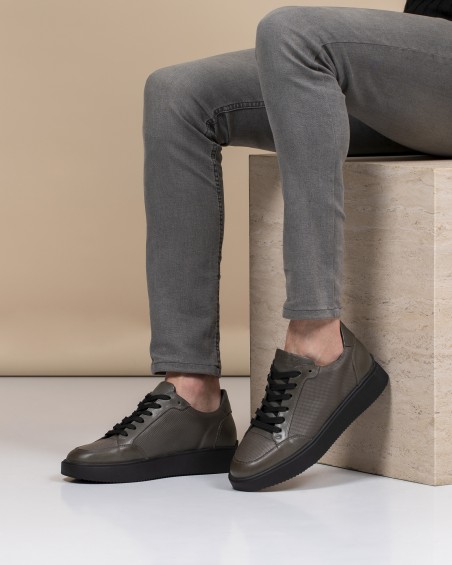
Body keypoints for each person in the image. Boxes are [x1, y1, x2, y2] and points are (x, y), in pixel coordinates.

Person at [61, 1, 452, 490]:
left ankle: (318, 342)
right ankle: (192, 396)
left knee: (295, 32)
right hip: (417, 69)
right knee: (177, 92)